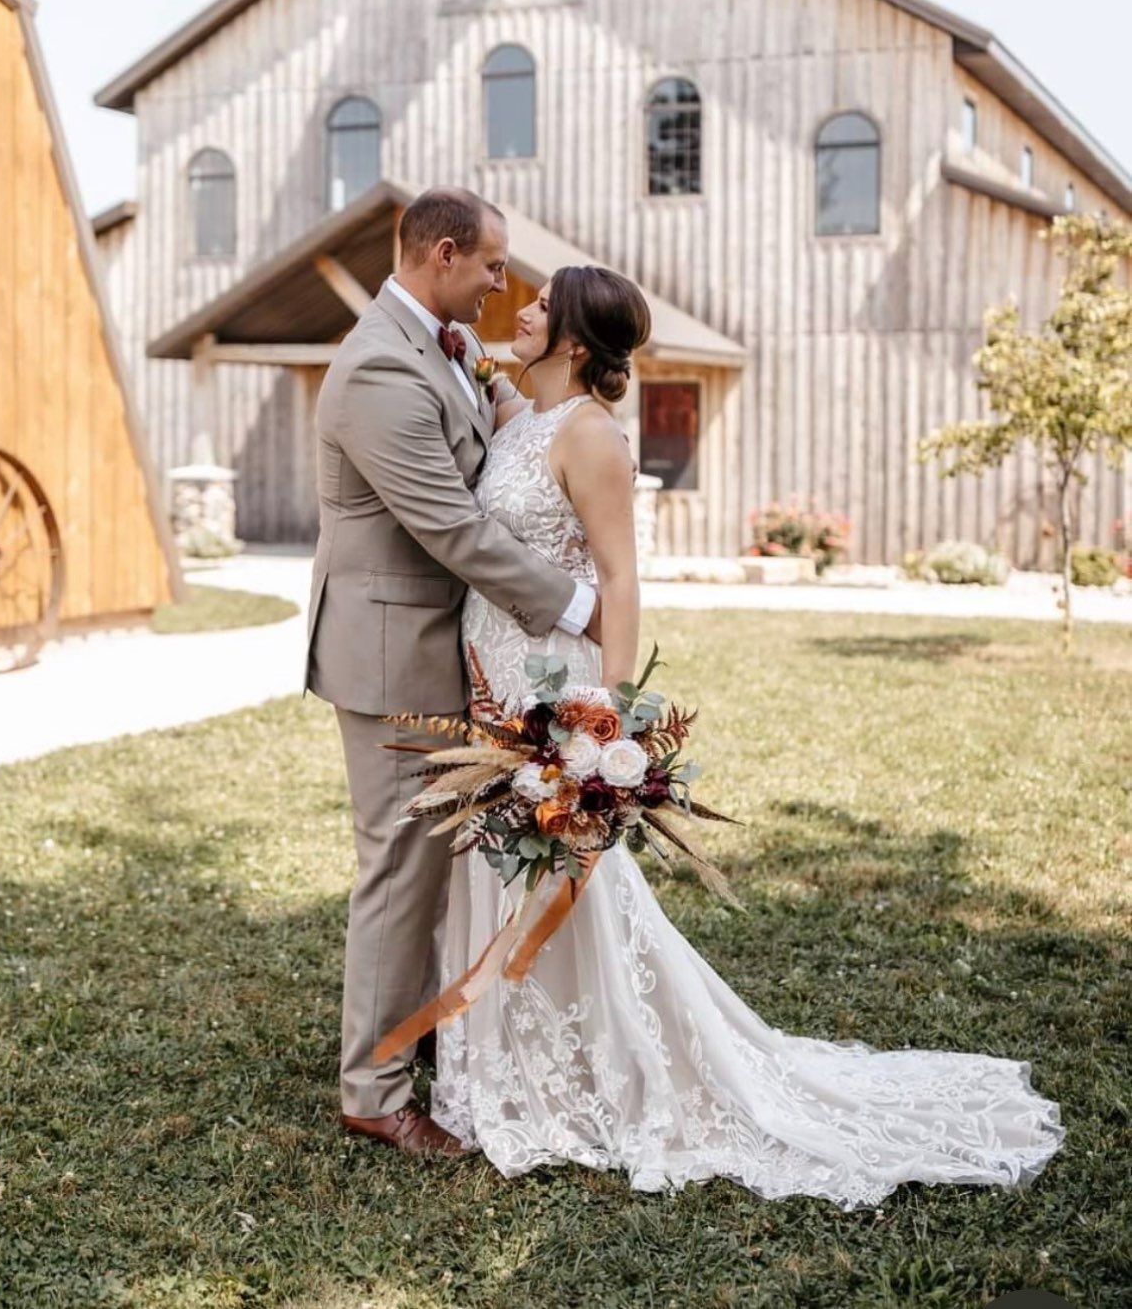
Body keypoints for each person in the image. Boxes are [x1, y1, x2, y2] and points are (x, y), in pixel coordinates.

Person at [430, 263, 1066, 1203]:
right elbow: (484, 425)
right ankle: (500, 1064)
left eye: (536, 306)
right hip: (486, 672)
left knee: (559, 876)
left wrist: (607, 721)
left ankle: (581, 1070)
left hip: (550, 685)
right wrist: (470, 363)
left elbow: (621, 576)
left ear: (570, 338)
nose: (515, 310)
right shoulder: (518, 415)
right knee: (491, 865)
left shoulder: (594, 436)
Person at [307, 187, 599, 1156]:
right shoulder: (380, 369)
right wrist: (569, 602)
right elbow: (449, 525)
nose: (498, 285)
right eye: (488, 265)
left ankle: (419, 1032)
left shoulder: (443, 345)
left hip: (441, 646)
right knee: (398, 866)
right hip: (389, 654)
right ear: (442, 253)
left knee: (436, 861)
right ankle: (374, 1088)